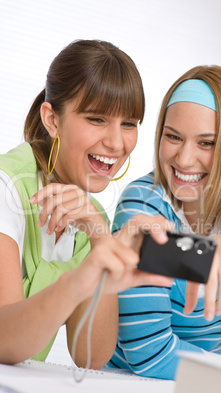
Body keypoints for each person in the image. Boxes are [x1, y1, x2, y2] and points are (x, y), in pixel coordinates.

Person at [0, 39, 173, 367]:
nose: (116, 142)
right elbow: (4, 342)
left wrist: (100, 237)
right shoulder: (6, 186)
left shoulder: (86, 212)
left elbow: (91, 356)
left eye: (129, 123)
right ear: (52, 120)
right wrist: (80, 278)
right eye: (96, 119)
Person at [108, 65, 221, 380]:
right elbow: (150, 354)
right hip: (125, 389)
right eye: (173, 137)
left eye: (206, 143)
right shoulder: (143, 203)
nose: (183, 159)